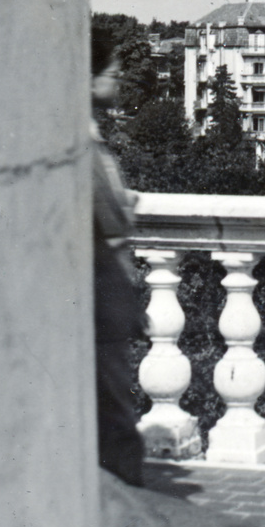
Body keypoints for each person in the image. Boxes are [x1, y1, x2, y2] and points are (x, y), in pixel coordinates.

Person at [91, 45, 147, 487]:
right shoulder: (83, 141)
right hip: (103, 287)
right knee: (114, 407)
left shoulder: (90, 135)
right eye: (112, 71)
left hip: (106, 288)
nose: (120, 76)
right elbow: (107, 216)